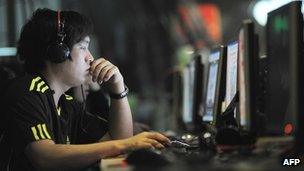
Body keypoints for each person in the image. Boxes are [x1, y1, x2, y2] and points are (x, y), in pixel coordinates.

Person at [0, 8, 170, 171]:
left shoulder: (67, 106)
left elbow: (118, 140)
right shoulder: (27, 92)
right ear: (58, 52)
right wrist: (126, 144)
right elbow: (44, 157)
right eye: (82, 47)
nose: (90, 58)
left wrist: (118, 88)